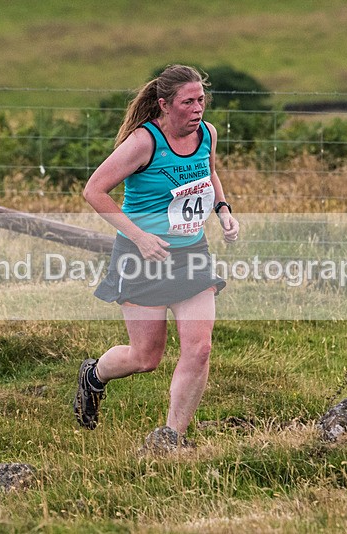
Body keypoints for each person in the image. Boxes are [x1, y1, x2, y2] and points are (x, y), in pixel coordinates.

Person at [74, 64, 239, 446]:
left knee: (199, 349)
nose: (197, 108)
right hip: (142, 257)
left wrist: (224, 211)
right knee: (145, 358)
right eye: (188, 102)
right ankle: (94, 374)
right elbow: (94, 191)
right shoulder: (143, 142)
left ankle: (171, 438)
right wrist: (140, 237)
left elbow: (207, 174)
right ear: (164, 105)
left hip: (191, 254)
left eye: (201, 100)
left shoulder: (207, 133)